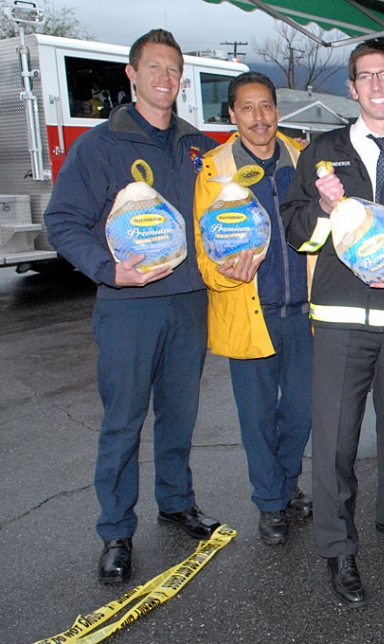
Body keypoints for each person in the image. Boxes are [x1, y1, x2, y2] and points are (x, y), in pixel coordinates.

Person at [43, 29, 221, 585]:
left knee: (180, 414)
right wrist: (105, 268)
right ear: (132, 74)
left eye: (174, 69)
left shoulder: (200, 148)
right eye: (154, 68)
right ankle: (116, 530)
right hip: (128, 306)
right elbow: (62, 221)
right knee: (122, 421)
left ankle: (177, 501)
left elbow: (222, 221)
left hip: (189, 302)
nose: (165, 79)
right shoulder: (100, 146)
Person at [280, 39, 384, 608]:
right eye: (365, 76)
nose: (377, 85)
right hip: (342, 319)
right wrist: (325, 211)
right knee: (335, 440)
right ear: (351, 88)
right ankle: (337, 546)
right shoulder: (323, 153)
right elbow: (293, 229)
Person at [193, 72, 312, 546]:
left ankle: (285, 485)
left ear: (277, 111)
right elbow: (204, 254)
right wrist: (229, 275)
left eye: (266, 107)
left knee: (300, 413)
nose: (259, 118)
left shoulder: (303, 159)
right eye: (247, 108)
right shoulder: (213, 169)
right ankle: (270, 501)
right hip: (250, 313)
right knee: (258, 418)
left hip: (304, 314)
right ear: (231, 115)